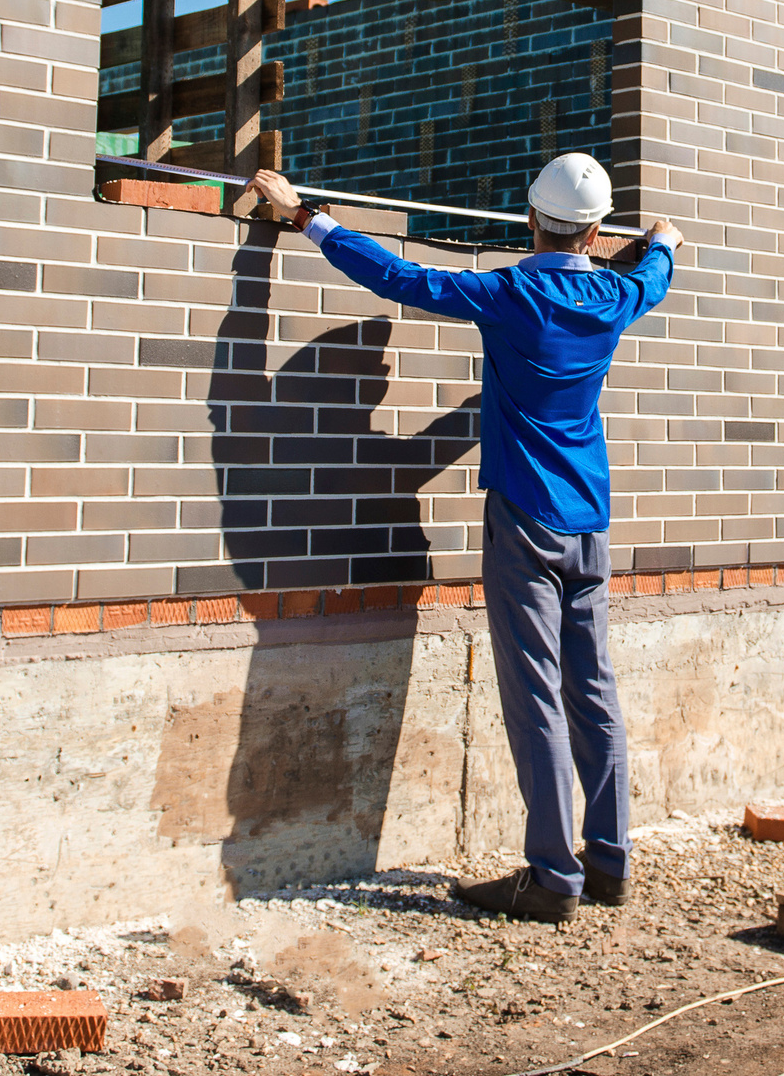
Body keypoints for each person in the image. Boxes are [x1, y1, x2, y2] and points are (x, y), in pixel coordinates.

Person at [244, 154, 682, 923]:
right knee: (595, 688)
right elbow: (656, 274)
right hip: (589, 522)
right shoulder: (618, 295)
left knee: (536, 694)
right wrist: (666, 242)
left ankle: (553, 877)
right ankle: (610, 860)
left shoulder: (511, 293)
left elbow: (401, 278)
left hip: (524, 518)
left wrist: (305, 214)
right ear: (597, 230)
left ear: (528, 220)